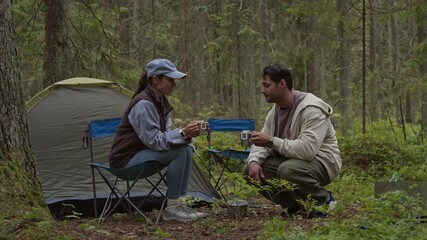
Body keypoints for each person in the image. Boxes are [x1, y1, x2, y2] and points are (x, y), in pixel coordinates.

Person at [109, 58, 207, 222]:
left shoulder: (161, 101)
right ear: (155, 79)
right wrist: (182, 133)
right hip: (125, 162)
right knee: (179, 151)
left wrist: (187, 136)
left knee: (186, 148)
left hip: (143, 155)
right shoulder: (143, 104)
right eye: (170, 79)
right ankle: (173, 208)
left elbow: (167, 135)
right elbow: (154, 141)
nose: (173, 85)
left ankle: (178, 204)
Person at [244, 64, 341, 218]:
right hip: (292, 161)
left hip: (323, 162)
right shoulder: (274, 112)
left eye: (266, 85)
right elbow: (263, 142)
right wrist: (254, 161)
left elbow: (307, 150)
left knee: (287, 169)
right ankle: (295, 204)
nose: (262, 90)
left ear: (282, 84)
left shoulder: (311, 108)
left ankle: (324, 201)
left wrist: (271, 141)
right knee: (249, 170)